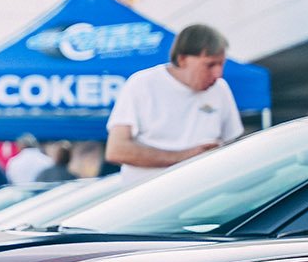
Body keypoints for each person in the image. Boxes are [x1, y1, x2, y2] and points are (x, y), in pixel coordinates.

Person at [104, 23, 244, 187]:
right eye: (210, 65)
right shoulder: (142, 84)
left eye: (221, 64)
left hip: (204, 197)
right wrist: (185, 157)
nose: (218, 73)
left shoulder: (220, 89)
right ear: (182, 59)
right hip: (150, 200)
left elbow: (234, 143)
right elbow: (117, 150)